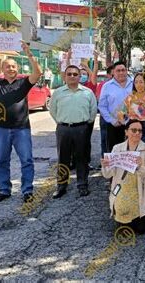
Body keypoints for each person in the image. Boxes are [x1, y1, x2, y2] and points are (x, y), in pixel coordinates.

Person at [0, 42, 42, 203]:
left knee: (26, 160)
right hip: (1, 130)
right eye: (8, 67)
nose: (11, 69)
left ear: (17, 68)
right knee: (1, 161)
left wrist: (29, 54)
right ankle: (4, 190)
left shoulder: (23, 83)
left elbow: (37, 73)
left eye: (13, 66)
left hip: (21, 129)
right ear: (2, 69)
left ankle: (27, 190)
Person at [49, 65, 97, 198]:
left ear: (79, 76)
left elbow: (93, 111)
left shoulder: (87, 92)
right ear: (64, 76)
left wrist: (85, 125)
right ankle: (61, 186)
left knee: (81, 158)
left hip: (82, 128)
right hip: (63, 129)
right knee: (63, 158)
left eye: (75, 74)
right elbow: (52, 110)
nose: (72, 76)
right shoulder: (58, 92)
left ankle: (82, 185)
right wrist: (62, 122)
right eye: (69, 74)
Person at [101, 119, 145, 234]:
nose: (137, 133)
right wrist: (105, 166)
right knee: (122, 232)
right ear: (126, 132)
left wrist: (140, 166)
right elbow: (108, 175)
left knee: (141, 230)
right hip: (121, 188)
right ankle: (120, 214)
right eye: (133, 130)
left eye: (140, 131)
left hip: (139, 189)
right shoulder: (117, 148)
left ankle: (140, 217)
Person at [98, 61, 134, 152]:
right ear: (113, 72)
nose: (121, 72)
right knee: (115, 151)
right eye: (118, 70)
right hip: (114, 124)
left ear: (126, 71)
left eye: (123, 70)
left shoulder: (135, 83)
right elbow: (102, 106)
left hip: (133, 123)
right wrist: (111, 120)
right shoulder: (107, 86)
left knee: (132, 150)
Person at [122, 73, 145, 148]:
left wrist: (137, 104)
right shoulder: (130, 97)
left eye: (141, 82)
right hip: (132, 126)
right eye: (136, 82)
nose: (138, 84)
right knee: (132, 151)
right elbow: (124, 112)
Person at [96, 65, 114, 158]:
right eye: (112, 74)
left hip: (119, 118)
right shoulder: (103, 85)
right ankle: (105, 160)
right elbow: (100, 100)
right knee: (105, 140)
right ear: (108, 75)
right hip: (105, 117)